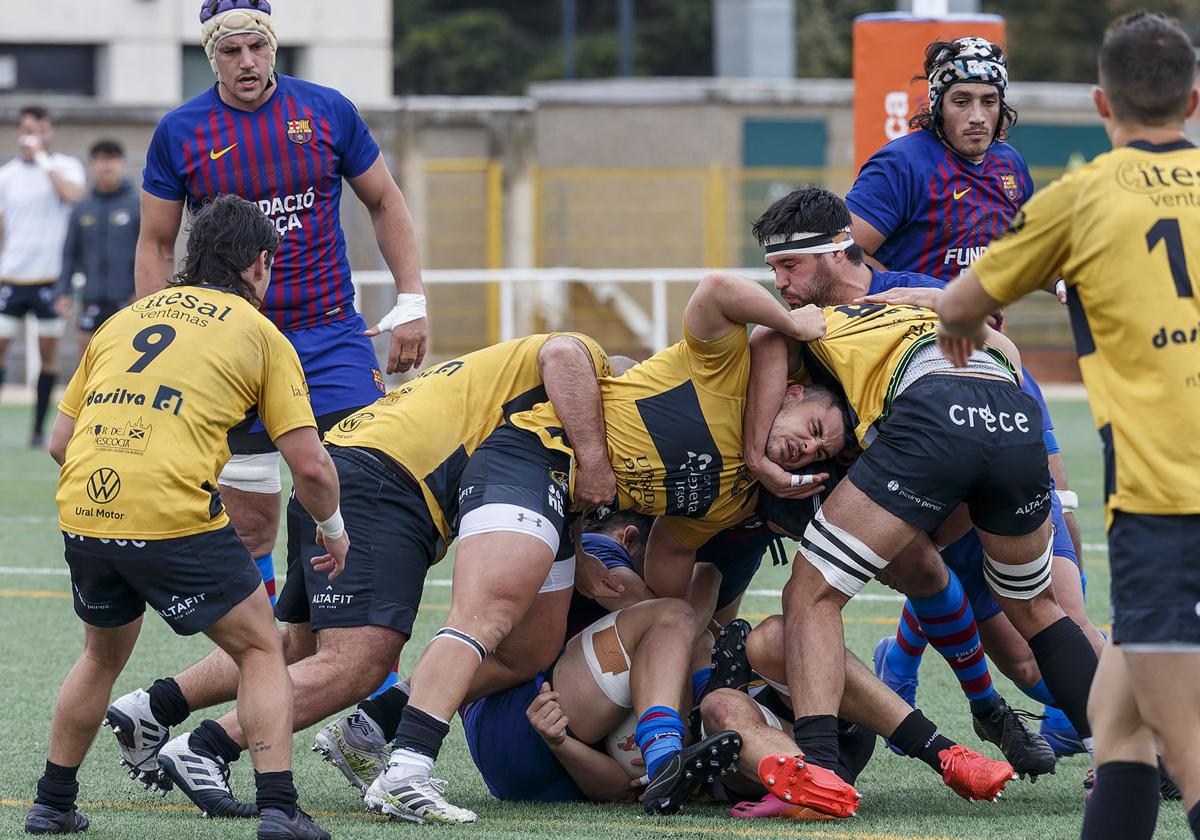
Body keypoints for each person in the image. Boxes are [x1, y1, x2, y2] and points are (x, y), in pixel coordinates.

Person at [363, 271, 850, 824]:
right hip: (527, 455)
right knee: (489, 614)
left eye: (817, 456)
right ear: (788, 393)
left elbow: (670, 596)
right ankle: (405, 766)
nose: (806, 449)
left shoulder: (728, 501)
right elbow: (712, 290)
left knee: (537, 645)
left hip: (567, 726)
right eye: (812, 428)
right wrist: (792, 322)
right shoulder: (718, 376)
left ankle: (374, 724)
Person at [105, 330, 618, 823]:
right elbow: (565, 353)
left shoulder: (532, 397)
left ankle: (154, 705)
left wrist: (572, 539)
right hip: (386, 481)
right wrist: (597, 460)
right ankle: (205, 747)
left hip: (350, 464)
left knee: (300, 645)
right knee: (357, 663)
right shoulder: (589, 369)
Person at [935, 12, 1200, 839]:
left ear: (1098, 102)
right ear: (1194, 100)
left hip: (1167, 496)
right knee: (1119, 733)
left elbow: (962, 300)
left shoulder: (1080, 198)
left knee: (1184, 751)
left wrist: (962, 326)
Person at [741, 208, 1102, 806]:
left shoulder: (821, 319)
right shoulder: (926, 299)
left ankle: (820, 773)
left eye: (789, 264)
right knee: (1039, 612)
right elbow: (1005, 348)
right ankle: (1123, 759)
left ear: (838, 252)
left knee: (810, 594)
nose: (780, 283)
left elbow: (764, 334)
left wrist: (759, 458)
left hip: (933, 415)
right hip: (1013, 420)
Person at [23, 194, 346, 840]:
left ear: (193, 255)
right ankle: (281, 810)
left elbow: (61, 442)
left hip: (87, 507)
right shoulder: (260, 333)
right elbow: (310, 466)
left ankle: (51, 803)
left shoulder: (124, 320)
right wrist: (334, 531)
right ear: (260, 264)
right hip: (169, 512)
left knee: (99, 656)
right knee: (260, 647)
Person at [138, 0, 428, 606]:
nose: (247, 62)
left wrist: (410, 300)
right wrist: (166, 334)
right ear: (210, 55)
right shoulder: (181, 131)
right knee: (248, 525)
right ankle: (260, 662)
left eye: (257, 47)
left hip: (329, 337)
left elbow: (385, 201)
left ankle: (365, 678)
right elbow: (157, 243)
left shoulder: (326, 109)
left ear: (274, 46)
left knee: (357, 490)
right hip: (229, 344)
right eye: (230, 50)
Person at [844, 35, 1089, 751]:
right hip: (924, 370)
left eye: (988, 101)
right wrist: (936, 298)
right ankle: (936, 676)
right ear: (936, 105)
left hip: (998, 362)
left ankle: (1058, 695)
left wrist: (1067, 278)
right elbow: (846, 260)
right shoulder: (902, 164)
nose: (976, 115)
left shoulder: (1011, 169)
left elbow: (1023, 251)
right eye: (961, 101)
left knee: (1053, 507)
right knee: (960, 539)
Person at [465, 598, 742, 815]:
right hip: (521, 718)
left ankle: (672, 756)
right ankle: (695, 724)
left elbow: (622, 793)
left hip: (560, 758)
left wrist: (559, 742)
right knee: (678, 617)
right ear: (629, 537)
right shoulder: (604, 547)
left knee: (684, 636)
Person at [0, 105, 84, 446]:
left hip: (50, 279)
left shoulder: (65, 167)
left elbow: (73, 196)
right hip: (12, 278)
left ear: (48, 131)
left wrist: (44, 160)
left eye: (35, 129)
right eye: (24, 129)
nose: (28, 136)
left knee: (47, 354)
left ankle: (37, 429)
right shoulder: (7, 175)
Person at [54, 139, 139, 358]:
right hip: (91, 299)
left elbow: (149, 250)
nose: (106, 166)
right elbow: (69, 253)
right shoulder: (83, 208)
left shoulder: (136, 204)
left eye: (111, 159)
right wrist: (63, 291)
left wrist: (141, 292)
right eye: (101, 160)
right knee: (86, 364)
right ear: (92, 165)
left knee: (123, 362)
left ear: (122, 163)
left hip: (127, 300)